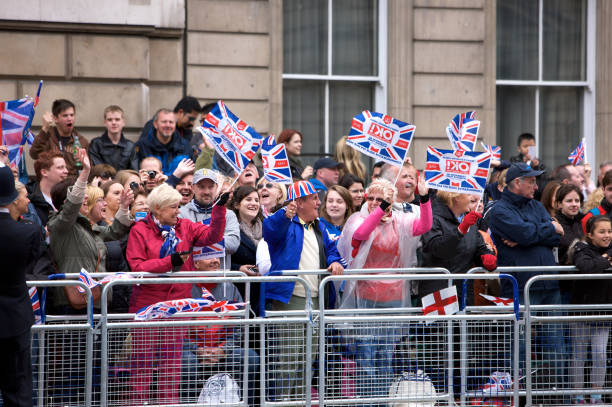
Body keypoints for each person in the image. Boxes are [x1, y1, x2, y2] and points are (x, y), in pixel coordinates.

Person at [125, 183, 229, 405]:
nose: (177, 211)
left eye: (178, 206)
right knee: (142, 367)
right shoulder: (139, 230)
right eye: (173, 207)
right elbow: (136, 266)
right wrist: (169, 262)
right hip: (148, 309)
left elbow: (213, 235)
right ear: (158, 209)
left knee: (171, 367)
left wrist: (219, 210)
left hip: (177, 309)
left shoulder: (186, 227)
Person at [336, 176, 432, 403]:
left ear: (392, 201)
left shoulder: (400, 220)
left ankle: (381, 400)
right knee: (366, 356)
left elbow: (424, 226)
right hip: (366, 299)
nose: (374, 202)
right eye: (371, 198)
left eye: (381, 199)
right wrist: (380, 209)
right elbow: (360, 235)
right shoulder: (357, 219)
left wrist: (425, 198)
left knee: (385, 357)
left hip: (393, 298)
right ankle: (367, 401)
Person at [262, 180, 345, 398]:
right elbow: (270, 232)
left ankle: (300, 402)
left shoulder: (319, 225)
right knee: (289, 360)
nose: (319, 202)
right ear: (299, 203)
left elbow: (332, 251)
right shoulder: (285, 222)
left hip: (317, 299)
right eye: (314, 198)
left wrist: (336, 263)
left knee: (308, 360)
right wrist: (284, 214)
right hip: (291, 299)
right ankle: (280, 402)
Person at [488, 162, 565, 388]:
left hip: (548, 283)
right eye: (531, 181)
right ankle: (520, 392)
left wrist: (536, 233)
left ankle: (556, 392)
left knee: (556, 344)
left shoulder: (536, 206)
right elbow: (528, 233)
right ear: (516, 183)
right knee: (519, 344)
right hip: (520, 286)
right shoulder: (500, 210)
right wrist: (546, 229)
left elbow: (555, 237)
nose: (535, 185)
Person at [47, 149, 134, 314]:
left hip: (95, 302)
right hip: (72, 305)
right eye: (81, 196)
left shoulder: (86, 226)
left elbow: (114, 232)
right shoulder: (61, 226)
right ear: (68, 202)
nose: (85, 198)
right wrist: (85, 172)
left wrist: (123, 208)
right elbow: (71, 208)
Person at [181, 255, 260, 406]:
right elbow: (176, 331)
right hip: (193, 351)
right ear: (196, 263)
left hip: (223, 350)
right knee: (186, 361)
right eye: (209, 257)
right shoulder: (183, 287)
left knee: (249, 357)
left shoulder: (229, 287)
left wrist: (223, 349)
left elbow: (239, 327)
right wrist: (197, 350)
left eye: (218, 257)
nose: (216, 261)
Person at [0, 163, 41, 407]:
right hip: (15, 321)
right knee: (18, 392)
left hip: (15, 320)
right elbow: (29, 263)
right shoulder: (28, 232)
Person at [420, 191, 497, 302]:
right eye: (468, 195)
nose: (472, 198)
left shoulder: (468, 221)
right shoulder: (433, 218)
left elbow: (478, 247)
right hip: (438, 292)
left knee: (463, 319)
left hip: (463, 291)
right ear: (455, 197)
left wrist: (486, 256)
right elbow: (437, 249)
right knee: (440, 320)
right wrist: (460, 230)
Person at [570, 215, 612, 405]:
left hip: (603, 311)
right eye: (602, 232)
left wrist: (603, 259)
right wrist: (605, 261)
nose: (607, 235)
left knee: (600, 354)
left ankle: (597, 395)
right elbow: (585, 266)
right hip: (582, 310)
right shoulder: (581, 248)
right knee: (579, 355)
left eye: (609, 231)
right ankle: (578, 395)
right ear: (590, 234)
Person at [179, 168, 240, 270]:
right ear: (193, 187)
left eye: (210, 187)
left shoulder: (228, 215)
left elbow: (233, 244)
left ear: (216, 187)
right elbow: (181, 245)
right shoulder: (181, 214)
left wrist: (196, 241)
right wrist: (217, 239)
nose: (206, 192)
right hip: (191, 280)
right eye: (201, 187)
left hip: (221, 279)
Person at [30, 99, 90, 177]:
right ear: (55, 118)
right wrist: (45, 128)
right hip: (52, 184)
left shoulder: (81, 141)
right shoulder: (47, 137)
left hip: (73, 184)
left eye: (72, 115)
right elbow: (34, 154)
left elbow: (89, 169)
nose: (69, 119)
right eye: (65, 115)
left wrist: (82, 162)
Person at [136, 108, 192, 175]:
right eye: (164, 122)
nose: (168, 125)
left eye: (171, 122)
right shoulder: (142, 146)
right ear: (155, 124)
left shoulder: (185, 146)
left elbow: (191, 172)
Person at [88, 105, 137, 170]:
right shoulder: (96, 144)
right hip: (104, 179)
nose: (113, 123)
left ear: (123, 122)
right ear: (105, 123)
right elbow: (97, 169)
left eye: (117, 119)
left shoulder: (130, 146)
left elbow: (134, 171)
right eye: (110, 120)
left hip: (124, 179)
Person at [29, 151, 69, 226]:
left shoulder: (69, 194)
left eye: (65, 167)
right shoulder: (29, 197)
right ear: (44, 172)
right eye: (60, 168)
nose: (66, 171)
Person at [509, 133, 546, 200]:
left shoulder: (540, 164)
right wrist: (524, 163)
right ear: (519, 149)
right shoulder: (514, 160)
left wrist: (536, 167)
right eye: (525, 146)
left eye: (531, 147)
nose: (529, 149)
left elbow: (542, 181)